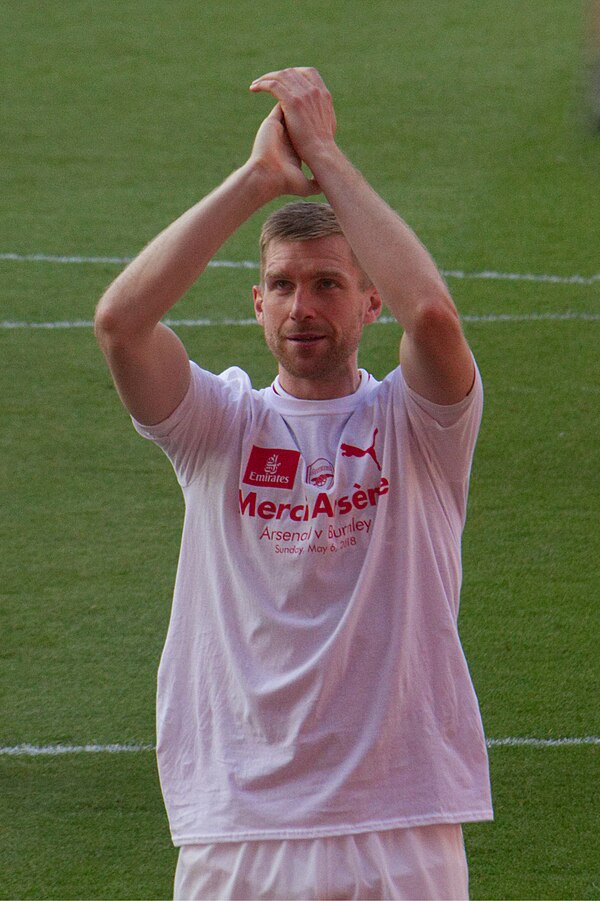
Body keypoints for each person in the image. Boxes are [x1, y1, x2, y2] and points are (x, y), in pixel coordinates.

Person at [95, 67, 493, 901]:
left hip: (398, 818)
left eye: (327, 283)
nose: (301, 306)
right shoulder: (219, 424)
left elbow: (435, 320)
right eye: (281, 284)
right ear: (256, 303)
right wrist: (259, 181)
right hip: (240, 823)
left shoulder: (417, 426)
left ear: (369, 301)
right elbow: (121, 323)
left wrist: (323, 153)